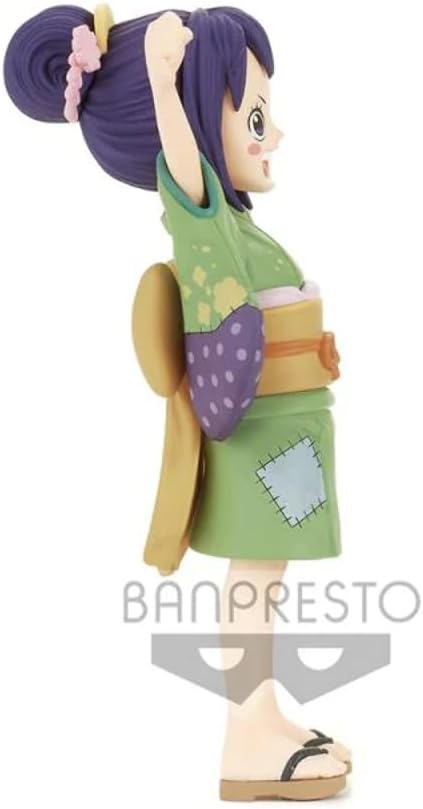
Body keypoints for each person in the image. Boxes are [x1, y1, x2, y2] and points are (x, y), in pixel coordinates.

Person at [4, 5, 349, 800]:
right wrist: (163, 83)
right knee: (254, 573)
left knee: (266, 572)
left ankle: (264, 715)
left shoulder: (236, 228)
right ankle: (248, 734)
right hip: (262, 438)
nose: (272, 133)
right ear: (187, 126)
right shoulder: (203, 224)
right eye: (253, 117)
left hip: (283, 432)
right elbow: (185, 166)